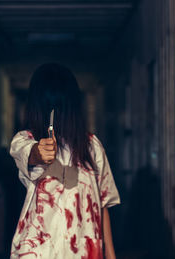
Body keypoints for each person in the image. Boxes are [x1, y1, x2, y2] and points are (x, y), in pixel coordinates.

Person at [9, 63, 120, 259]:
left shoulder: (92, 147)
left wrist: (111, 256)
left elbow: (102, 207)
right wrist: (39, 151)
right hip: (38, 252)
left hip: (85, 253)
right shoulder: (25, 140)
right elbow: (29, 153)